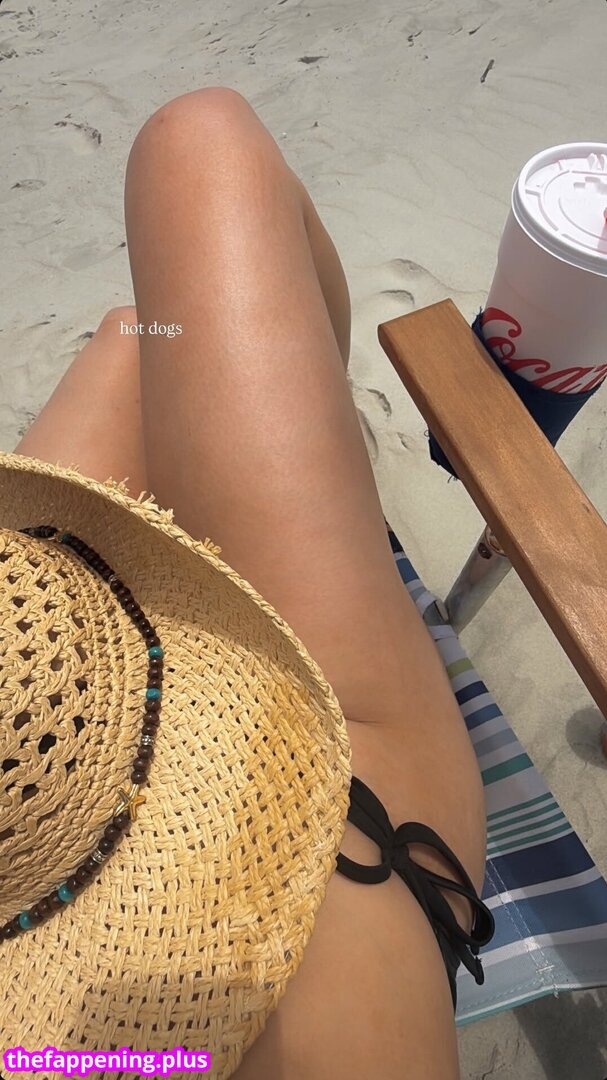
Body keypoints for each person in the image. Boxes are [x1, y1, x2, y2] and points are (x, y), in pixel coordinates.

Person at [13, 86, 492, 1078]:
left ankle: (220, 389)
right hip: (347, 835)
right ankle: (323, 436)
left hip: (51, 726)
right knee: (198, 146)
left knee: (135, 340)